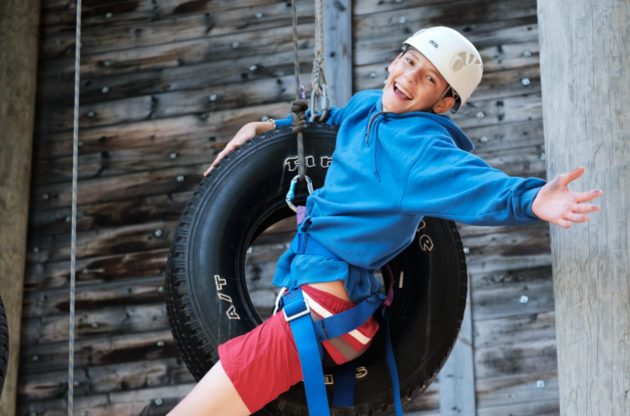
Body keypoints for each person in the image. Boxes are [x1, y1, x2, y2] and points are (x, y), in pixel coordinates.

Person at [170, 26, 603, 415]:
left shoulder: (420, 149)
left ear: (445, 102)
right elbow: (328, 122)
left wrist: (533, 200)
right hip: (311, 302)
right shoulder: (364, 108)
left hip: (323, 314)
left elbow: (480, 186)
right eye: (410, 60)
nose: (410, 77)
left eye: (429, 78)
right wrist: (265, 127)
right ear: (395, 60)